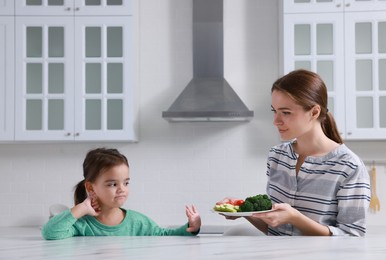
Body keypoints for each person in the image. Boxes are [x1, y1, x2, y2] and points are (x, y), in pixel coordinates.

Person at [225, 69, 371, 236]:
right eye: (275, 111)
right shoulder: (277, 157)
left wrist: (295, 218)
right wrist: (241, 210)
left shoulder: (348, 166)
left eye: (286, 112)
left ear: (314, 112)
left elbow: (352, 236)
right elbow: (275, 228)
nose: (276, 121)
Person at [41, 148, 201, 240]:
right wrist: (81, 208)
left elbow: (165, 234)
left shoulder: (139, 223)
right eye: (112, 184)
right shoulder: (83, 225)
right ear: (90, 187)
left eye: (126, 183)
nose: (122, 189)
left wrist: (191, 227)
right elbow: (50, 233)